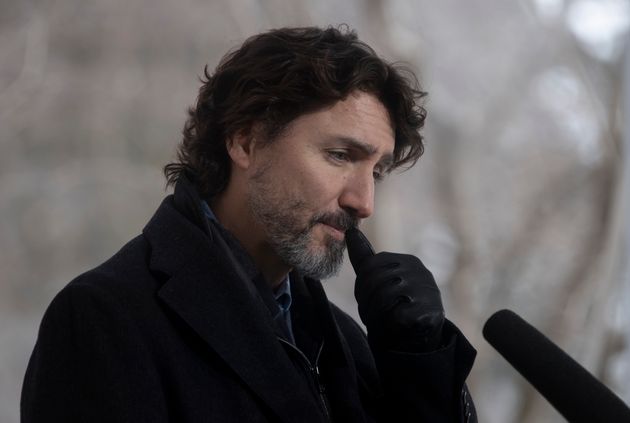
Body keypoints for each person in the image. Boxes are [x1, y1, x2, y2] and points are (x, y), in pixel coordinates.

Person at [21, 26, 476, 422]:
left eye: (375, 172)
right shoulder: (104, 318)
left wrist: (419, 362)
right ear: (245, 139)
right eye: (340, 156)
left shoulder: (346, 341)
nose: (363, 202)